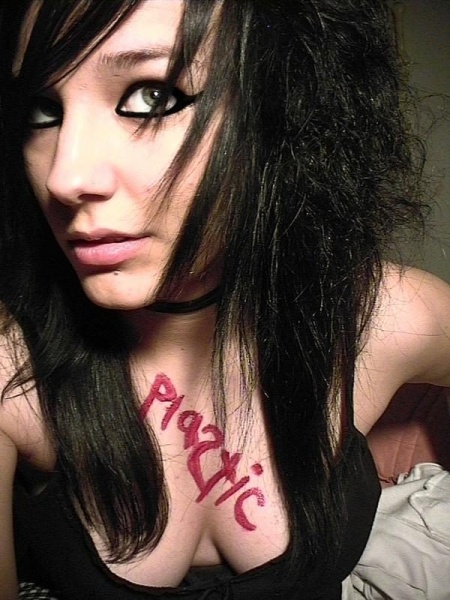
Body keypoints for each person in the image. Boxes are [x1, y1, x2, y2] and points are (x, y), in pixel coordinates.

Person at [0, 1, 449, 599]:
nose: (65, 176)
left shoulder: (385, 317)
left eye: (152, 97)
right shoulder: (12, 372)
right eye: (42, 110)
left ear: (283, 108)